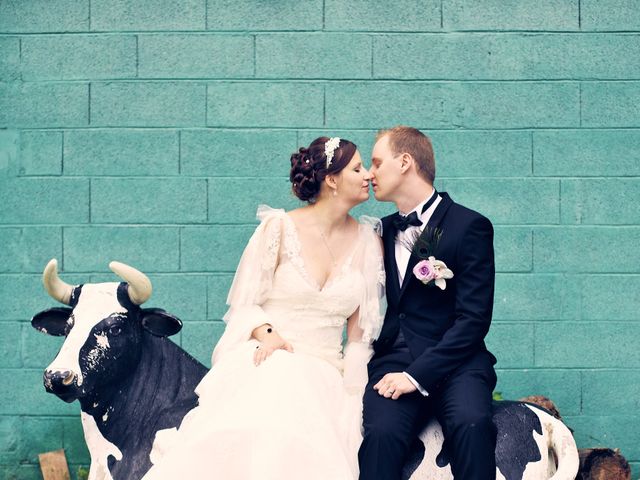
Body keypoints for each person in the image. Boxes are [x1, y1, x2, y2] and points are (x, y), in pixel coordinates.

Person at [142, 137, 385, 480]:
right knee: (277, 385)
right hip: (268, 356)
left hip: (325, 373)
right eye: (357, 168)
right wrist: (268, 335)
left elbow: (360, 337)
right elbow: (244, 304)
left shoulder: (367, 241)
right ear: (332, 179)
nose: (368, 176)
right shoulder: (279, 228)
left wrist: (355, 394)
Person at [359, 126, 498, 480]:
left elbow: (474, 320)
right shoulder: (380, 230)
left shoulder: (469, 226)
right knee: (381, 436)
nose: (370, 173)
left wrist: (415, 376)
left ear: (405, 162)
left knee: (472, 424)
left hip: (459, 366)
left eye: (376, 162)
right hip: (394, 360)